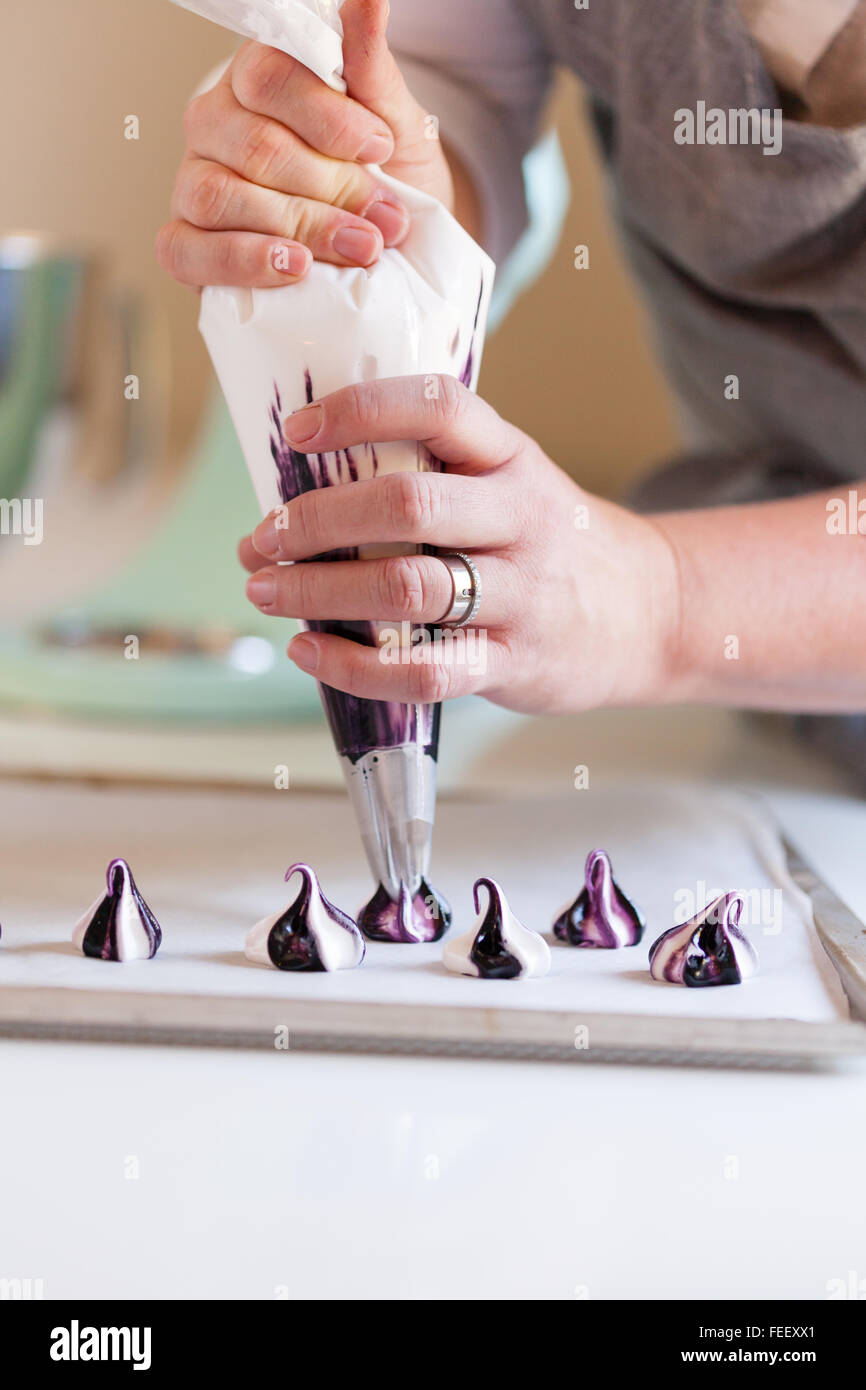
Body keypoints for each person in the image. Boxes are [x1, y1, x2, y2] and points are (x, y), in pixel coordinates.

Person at [156, 0, 866, 727]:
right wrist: (363, 187)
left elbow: (648, 607)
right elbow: (458, 82)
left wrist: (660, 601)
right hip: (771, 722)